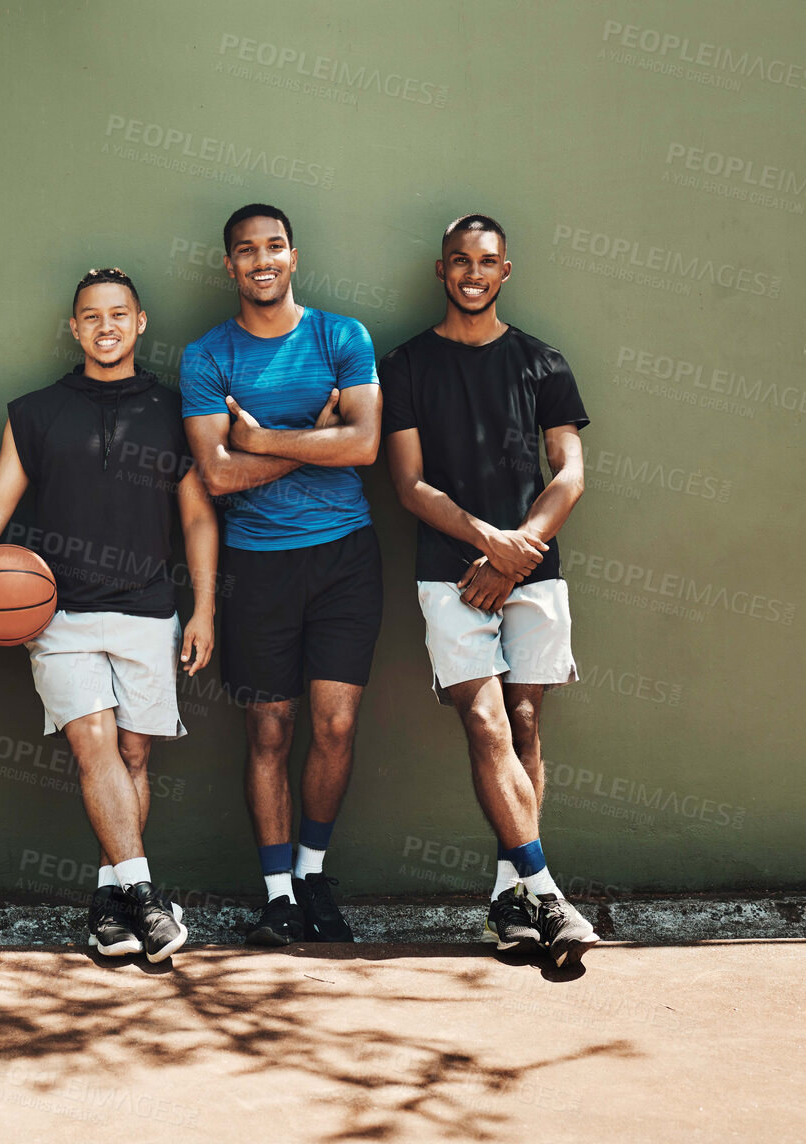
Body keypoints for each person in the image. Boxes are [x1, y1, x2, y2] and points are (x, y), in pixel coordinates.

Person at [0, 268, 217, 963]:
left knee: (133, 755)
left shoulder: (175, 410)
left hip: (149, 610)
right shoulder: (35, 413)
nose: (105, 326)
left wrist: (204, 606)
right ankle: (147, 900)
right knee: (94, 745)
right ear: (74, 327)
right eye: (90, 316)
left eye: (118, 314)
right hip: (58, 614)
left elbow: (198, 519)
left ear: (140, 321)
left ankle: (107, 903)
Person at [380, 213, 599, 969]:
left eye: (487, 261)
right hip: (448, 569)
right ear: (440, 271)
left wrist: (513, 555)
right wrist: (486, 543)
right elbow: (407, 483)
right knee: (483, 719)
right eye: (459, 261)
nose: (472, 272)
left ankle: (510, 898)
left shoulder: (542, 362)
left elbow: (568, 473)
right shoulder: (405, 364)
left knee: (526, 722)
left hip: (530, 566)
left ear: (505, 271)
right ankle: (545, 890)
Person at [180, 204, 383, 946]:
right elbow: (217, 476)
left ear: (293, 257)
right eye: (244, 251)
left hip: (344, 559)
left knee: (333, 726)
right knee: (269, 729)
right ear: (228, 267)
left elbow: (364, 447)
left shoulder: (342, 336)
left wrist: (262, 438)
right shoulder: (206, 357)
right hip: (256, 569)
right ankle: (276, 896)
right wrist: (313, 439)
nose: (260, 260)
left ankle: (311, 875)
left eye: (273, 247)